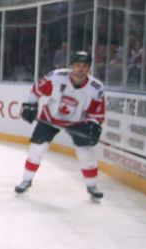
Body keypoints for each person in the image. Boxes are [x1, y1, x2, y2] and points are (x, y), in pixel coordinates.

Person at [16, 50, 106, 199]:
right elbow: (37, 90)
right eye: (77, 65)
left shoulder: (95, 88)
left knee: (86, 153)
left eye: (84, 65)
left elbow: (97, 112)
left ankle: (92, 186)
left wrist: (94, 125)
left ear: (89, 68)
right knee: (37, 148)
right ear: (71, 66)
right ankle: (26, 180)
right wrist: (31, 106)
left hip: (78, 121)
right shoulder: (56, 78)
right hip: (50, 118)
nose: (80, 68)